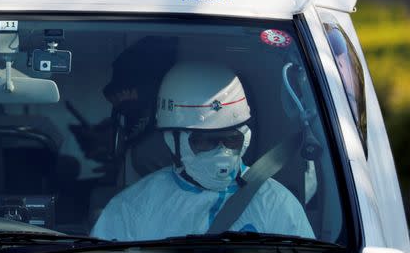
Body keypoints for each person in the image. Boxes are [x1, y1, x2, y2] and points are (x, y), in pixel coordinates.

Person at [91, 61, 314, 241]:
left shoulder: (276, 203)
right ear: (172, 141)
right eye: (205, 142)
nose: (222, 153)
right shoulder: (132, 209)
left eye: (232, 140)